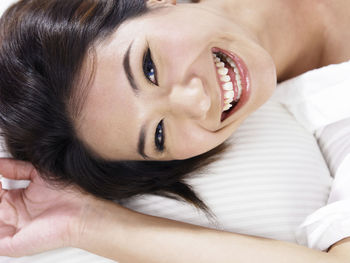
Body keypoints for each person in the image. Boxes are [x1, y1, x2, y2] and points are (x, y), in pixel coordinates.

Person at [0, 0, 349, 262]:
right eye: (159, 135)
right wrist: (84, 222)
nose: (196, 100)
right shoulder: (336, 116)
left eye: (149, 68)